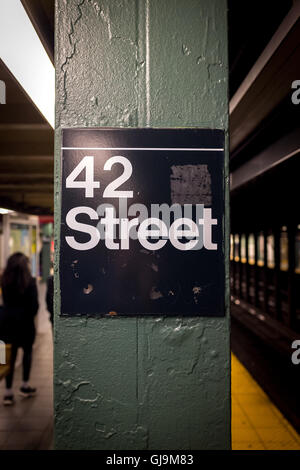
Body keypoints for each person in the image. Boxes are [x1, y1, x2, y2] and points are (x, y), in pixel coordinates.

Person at [1, 252, 39, 405]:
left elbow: (4, 302)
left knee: (10, 357)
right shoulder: (30, 282)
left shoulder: (4, 281)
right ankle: (24, 385)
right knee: (27, 353)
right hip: (26, 324)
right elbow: (34, 306)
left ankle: (8, 392)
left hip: (7, 325)